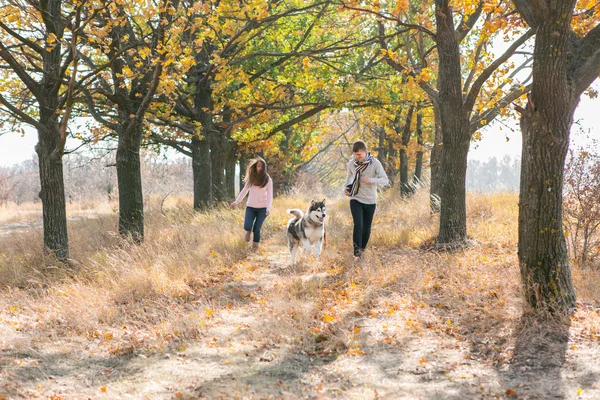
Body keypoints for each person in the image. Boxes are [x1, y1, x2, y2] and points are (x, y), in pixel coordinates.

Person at [344, 140, 389, 259]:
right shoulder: (351, 164)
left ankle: (362, 250)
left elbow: (385, 180)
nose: (357, 157)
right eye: (355, 155)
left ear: (365, 152)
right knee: (358, 225)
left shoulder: (375, 163)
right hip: (355, 198)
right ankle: (356, 253)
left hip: (370, 200)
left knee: (366, 228)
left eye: (359, 155)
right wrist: (346, 187)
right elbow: (349, 177)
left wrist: (372, 180)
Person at [230, 157, 273, 251]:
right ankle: (248, 231)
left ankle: (255, 248)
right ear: (255, 167)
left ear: (264, 168)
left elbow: (270, 196)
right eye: (258, 166)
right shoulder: (251, 178)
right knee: (247, 226)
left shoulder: (268, 179)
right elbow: (244, 191)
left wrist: (268, 208)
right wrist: (236, 202)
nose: (260, 168)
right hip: (251, 207)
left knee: (257, 229)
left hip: (263, 208)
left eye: (261, 167)